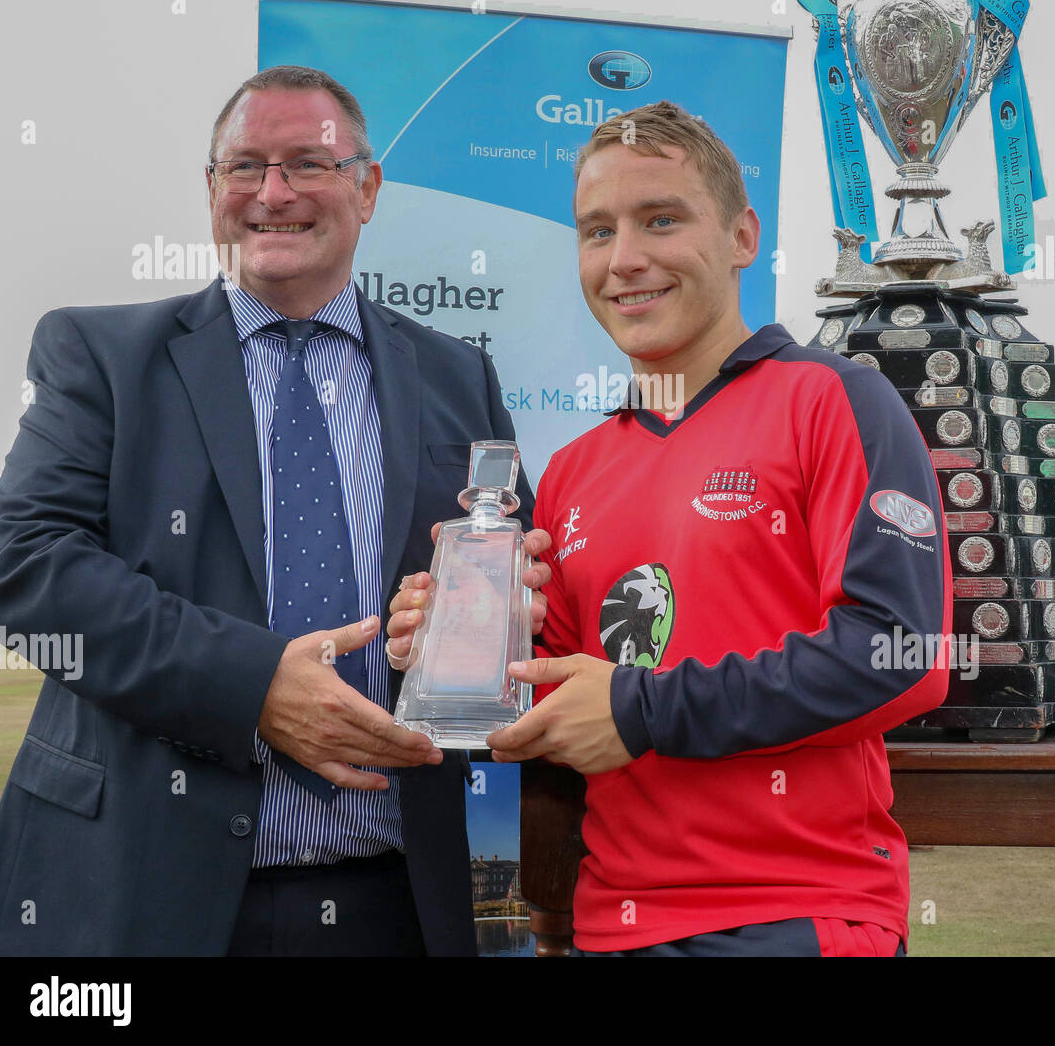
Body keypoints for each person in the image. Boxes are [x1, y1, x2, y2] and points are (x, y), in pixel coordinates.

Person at [0, 65, 549, 957]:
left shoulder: (457, 378)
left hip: (407, 904)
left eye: (305, 165)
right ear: (212, 192)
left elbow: (517, 603)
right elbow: (18, 564)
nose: (271, 193)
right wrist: (252, 685)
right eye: (244, 167)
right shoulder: (102, 356)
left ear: (367, 188)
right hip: (146, 899)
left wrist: (481, 616)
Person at [390, 101, 952, 956]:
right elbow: (563, 705)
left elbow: (903, 655)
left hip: (792, 916)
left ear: (740, 236)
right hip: (610, 924)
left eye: (661, 219)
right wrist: (460, 643)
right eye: (596, 230)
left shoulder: (835, 401)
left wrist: (644, 708)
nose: (625, 260)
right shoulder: (574, 468)